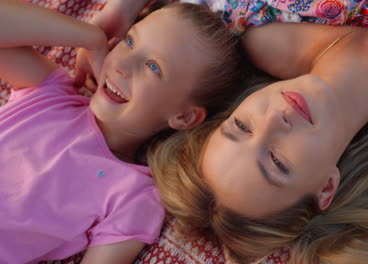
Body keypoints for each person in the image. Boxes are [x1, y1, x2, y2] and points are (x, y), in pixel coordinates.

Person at [148, 18, 368, 264]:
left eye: (242, 126)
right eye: (276, 161)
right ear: (327, 187)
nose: (274, 120)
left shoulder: (266, 37)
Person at [0, 0, 246, 263]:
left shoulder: (135, 195)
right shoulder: (52, 93)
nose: (123, 65)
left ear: (184, 117)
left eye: (153, 67)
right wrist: (91, 37)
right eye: (129, 41)